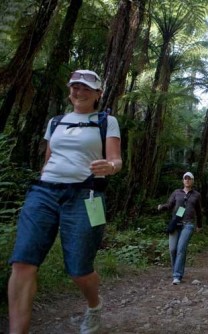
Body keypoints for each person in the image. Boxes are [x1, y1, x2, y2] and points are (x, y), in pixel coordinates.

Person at [8, 69, 122, 334]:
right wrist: (44, 181)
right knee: (23, 262)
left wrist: (110, 167)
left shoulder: (107, 121)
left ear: (97, 94)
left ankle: (94, 305)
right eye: (74, 87)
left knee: (79, 269)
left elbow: (116, 159)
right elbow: (49, 159)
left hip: (86, 195)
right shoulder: (56, 121)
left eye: (85, 88)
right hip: (44, 192)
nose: (79, 92)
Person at [158, 172, 202, 285]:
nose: (187, 180)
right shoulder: (177, 193)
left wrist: (199, 225)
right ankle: (175, 271)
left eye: (189, 178)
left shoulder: (196, 195)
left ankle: (177, 275)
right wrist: (161, 207)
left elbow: (198, 211)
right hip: (176, 223)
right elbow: (169, 205)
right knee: (172, 249)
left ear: (192, 181)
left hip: (188, 224)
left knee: (181, 249)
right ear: (183, 180)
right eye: (185, 178)